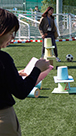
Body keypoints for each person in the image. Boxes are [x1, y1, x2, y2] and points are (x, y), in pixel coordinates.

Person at [0, 8, 50, 136]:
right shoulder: (3, 59)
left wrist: (14, 74)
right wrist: (37, 69)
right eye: (11, 32)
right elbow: (21, 91)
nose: (12, 37)